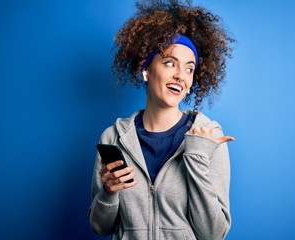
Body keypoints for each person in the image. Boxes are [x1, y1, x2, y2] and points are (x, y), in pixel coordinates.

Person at [88, 0, 235, 239]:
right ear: (145, 70)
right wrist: (108, 193)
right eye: (169, 63)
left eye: (189, 69)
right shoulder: (113, 138)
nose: (180, 75)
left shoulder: (208, 137)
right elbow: (100, 227)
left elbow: (214, 234)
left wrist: (196, 156)